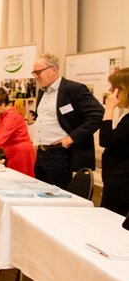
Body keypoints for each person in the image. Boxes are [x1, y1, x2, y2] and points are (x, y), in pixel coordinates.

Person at [31, 53, 104, 189]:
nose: (36, 76)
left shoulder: (74, 89)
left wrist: (71, 138)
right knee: (40, 196)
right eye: (34, 73)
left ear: (54, 69)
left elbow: (97, 115)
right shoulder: (42, 92)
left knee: (59, 199)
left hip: (60, 155)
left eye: (38, 72)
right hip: (41, 154)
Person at [99, 68, 129, 216]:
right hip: (116, 180)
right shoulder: (126, 114)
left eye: (113, 87)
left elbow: (105, 140)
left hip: (121, 184)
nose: (110, 90)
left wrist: (109, 108)